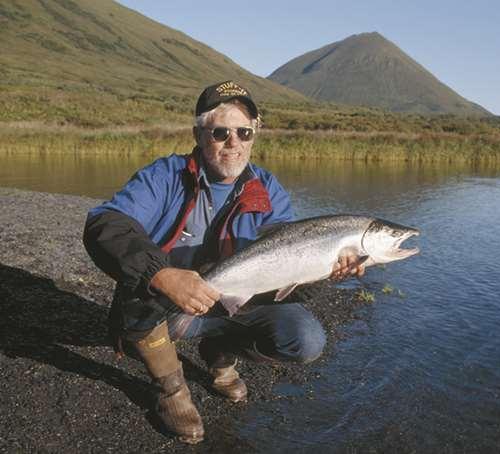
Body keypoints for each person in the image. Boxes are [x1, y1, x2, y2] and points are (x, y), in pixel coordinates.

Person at [83, 81, 365, 444]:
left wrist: (326, 271)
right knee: (141, 289)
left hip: (236, 302)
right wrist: (163, 274)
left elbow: (289, 281)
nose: (234, 143)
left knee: (306, 339)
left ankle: (219, 354)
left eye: (244, 132)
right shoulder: (165, 176)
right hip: (168, 307)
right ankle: (172, 392)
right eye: (220, 132)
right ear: (199, 134)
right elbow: (105, 223)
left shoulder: (268, 189)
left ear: (254, 134)